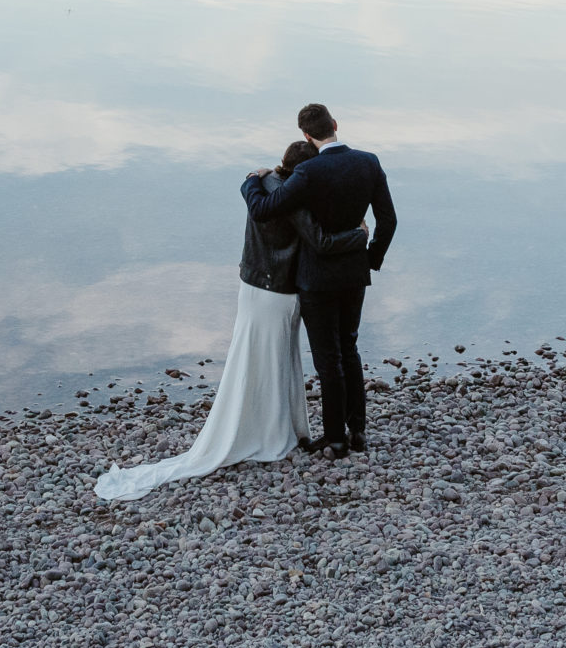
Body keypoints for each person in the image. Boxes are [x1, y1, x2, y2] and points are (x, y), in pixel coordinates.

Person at [93, 141, 358, 500]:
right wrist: (358, 233)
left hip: (251, 285)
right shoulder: (293, 200)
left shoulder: (263, 186)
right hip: (277, 292)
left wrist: (252, 176)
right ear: (302, 174)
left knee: (254, 358)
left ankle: (266, 424)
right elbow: (320, 240)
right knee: (271, 359)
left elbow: (250, 190)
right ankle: (268, 431)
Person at [243, 103, 397, 457]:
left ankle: (335, 438)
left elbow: (263, 210)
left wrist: (252, 181)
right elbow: (388, 221)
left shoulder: (307, 172)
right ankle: (357, 431)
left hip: (316, 279)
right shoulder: (369, 162)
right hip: (354, 275)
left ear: (307, 136)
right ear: (336, 125)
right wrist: (370, 259)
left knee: (328, 359)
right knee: (350, 349)